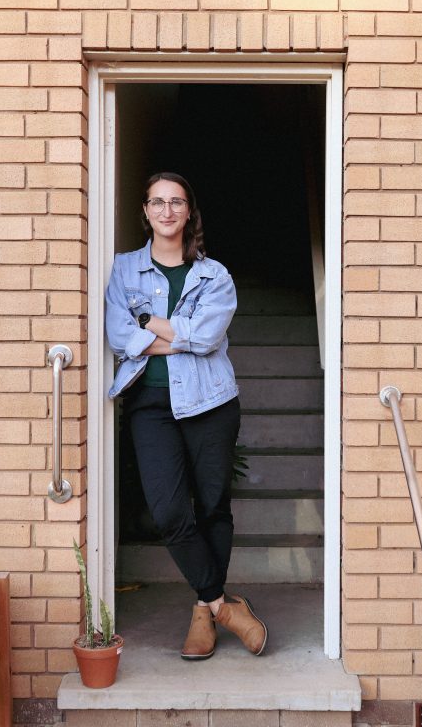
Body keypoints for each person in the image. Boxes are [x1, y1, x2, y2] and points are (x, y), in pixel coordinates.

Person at [105, 171, 268, 660]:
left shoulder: (214, 275)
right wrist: (176, 334)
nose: (167, 210)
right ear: (145, 211)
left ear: (189, 211)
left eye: (176, 202)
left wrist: (148, 325)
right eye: (158, 202)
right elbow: (119, 336)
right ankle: (225, 606)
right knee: (171, 511)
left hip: (211, 402)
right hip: (150, 406)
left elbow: (207, 338)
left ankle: (203, 609)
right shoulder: (123, 269)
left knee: (213, 507)